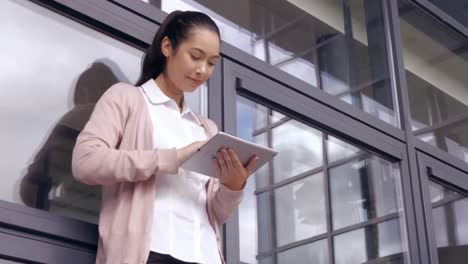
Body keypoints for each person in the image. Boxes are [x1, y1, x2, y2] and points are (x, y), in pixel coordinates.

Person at [72, 10, 258, 264]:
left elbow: (215, 212)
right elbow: (86, 161)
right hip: (148, 255)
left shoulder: (206, 129)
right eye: (195, 56)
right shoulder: (127, 99)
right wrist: (174, 158)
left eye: (212, 63)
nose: (203, 70)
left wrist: (232, 187)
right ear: (167, 47)